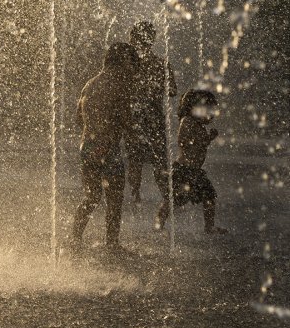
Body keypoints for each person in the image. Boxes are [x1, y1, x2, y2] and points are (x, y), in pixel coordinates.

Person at [67, 42, 140, 254]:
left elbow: (78, 119)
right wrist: (133, 136)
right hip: (108, 147)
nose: (132, 69)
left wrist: (94, 139)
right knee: (115, 198)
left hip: (88, 146)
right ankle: (112, 243)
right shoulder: (119, 85)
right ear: (122, 62)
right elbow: (125, 120)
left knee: (91, 197)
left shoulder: (89, 84)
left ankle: (75, 238)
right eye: (130, 63)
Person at [155, 90, 228, 234]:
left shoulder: (197, 124)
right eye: (208, 110)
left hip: (194, 171)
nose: (211, 115)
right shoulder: (187, 121)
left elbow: (198, 143)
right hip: (183, 170)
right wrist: (206, 139)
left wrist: (207, 138)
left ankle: (209, 227)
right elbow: (186, 142)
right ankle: (158, 225)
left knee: (209, 195)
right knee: (172, 200)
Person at [124, 21, 177, 205]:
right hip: (154, 118)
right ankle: (166, 194)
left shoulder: (128, 66)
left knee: (135, 157)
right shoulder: (161, 64)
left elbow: (121, 90)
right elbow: (172, 91)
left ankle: (135, 193)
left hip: (135, 118)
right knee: (159, 158)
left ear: (135, 39)